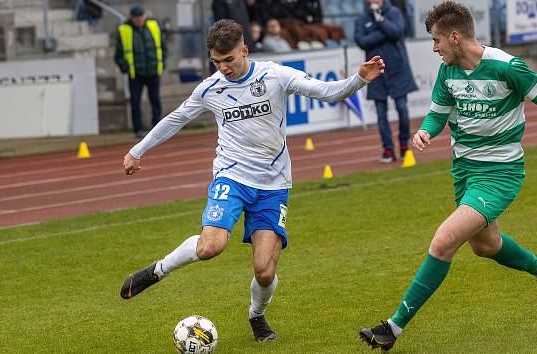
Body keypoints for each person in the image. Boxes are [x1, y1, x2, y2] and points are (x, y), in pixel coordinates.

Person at [119, 19, 384, 343]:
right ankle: (157, 270)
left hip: (273, 184)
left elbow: (325, 92)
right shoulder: (210, 89)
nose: (224, 68)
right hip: (231, 175)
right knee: (210, 246)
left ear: (244, 50)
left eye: (229, 59)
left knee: (264, 270)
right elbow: (176, 119)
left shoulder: (274, 75)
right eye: (217, 62)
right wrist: (137, 151)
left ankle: (256, 315)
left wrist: (358, 79)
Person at [359, 2, 537, 350]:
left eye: (436, 41)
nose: (434, 48)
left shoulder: (505, 66)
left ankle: (392, 328)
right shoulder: (448, 72)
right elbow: (438, 115)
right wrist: (424, 132)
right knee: (486, 246)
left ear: (455, 37)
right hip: (464, 171)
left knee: (443, 241)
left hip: (500, 173)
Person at [355, 0, 417, 163]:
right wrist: (383, 33)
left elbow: (397, 32)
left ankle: (404, 144)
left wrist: (380, 21)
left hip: (398, 69)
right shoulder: (361, 19)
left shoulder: (394, 13)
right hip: (375, 72)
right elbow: (361, 41)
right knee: (381, 114)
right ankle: (388, 148)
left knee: (402, 108)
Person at [115, 6, 167, 138]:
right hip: (136, 74)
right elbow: (119, 55)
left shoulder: (153, 26)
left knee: (155, 99)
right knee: (135, 101)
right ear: (132, 18)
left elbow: (162, 46)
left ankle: (157, 126)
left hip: (153, 71)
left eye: (141, 16)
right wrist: (125, 68)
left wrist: (162, 63)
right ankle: (138, 129)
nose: (139, 19)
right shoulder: (124, 30)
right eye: (136, 17)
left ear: (144, 16)